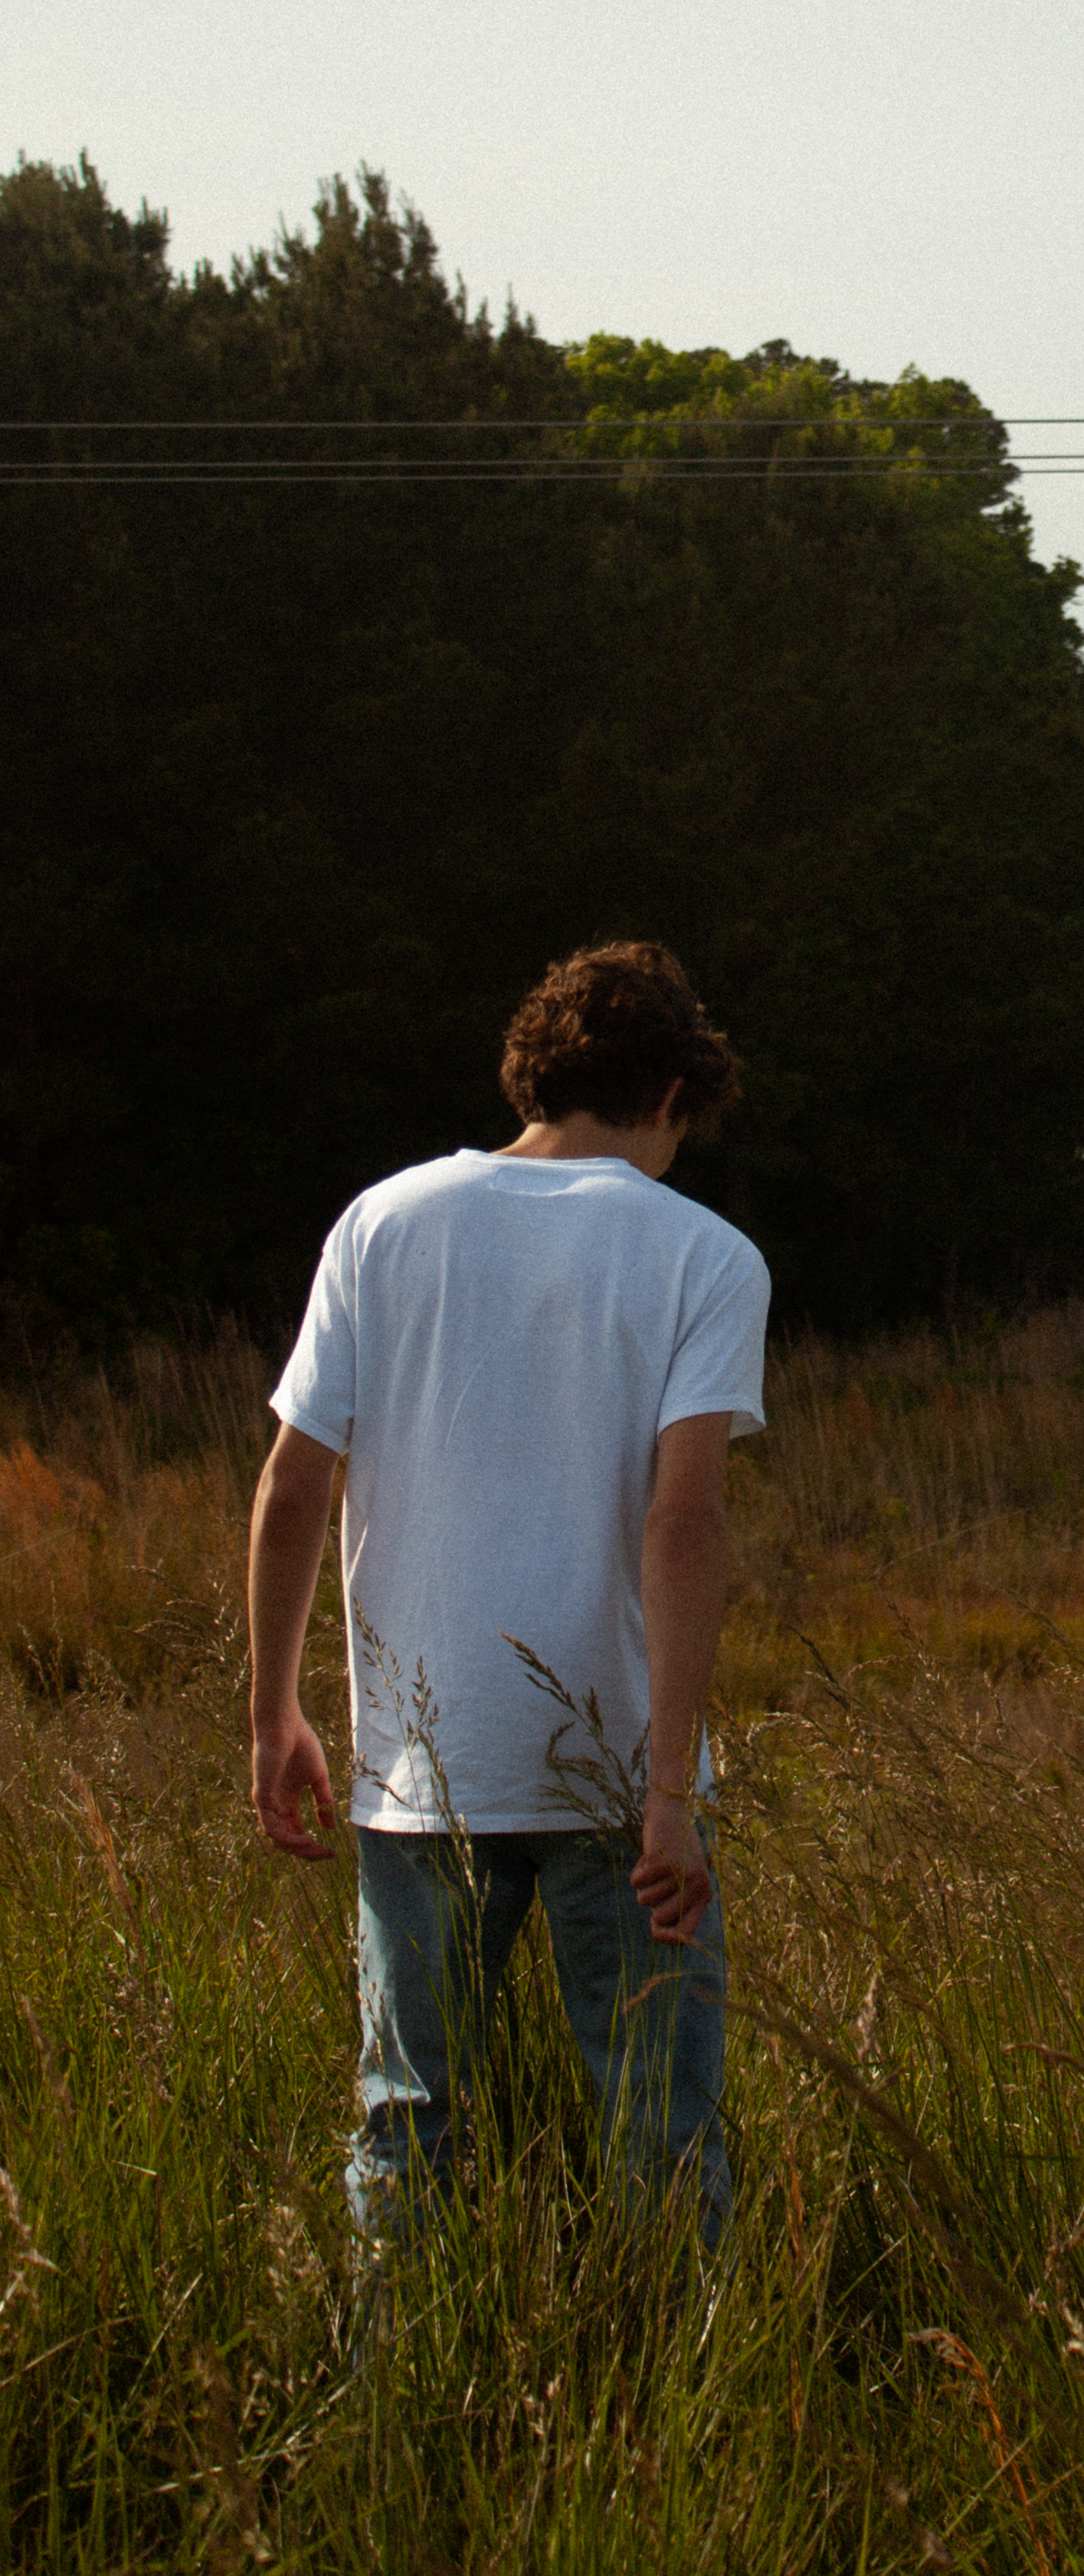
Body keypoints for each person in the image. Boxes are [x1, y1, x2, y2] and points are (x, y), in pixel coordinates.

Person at [247, 940, 769, 2264]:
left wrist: (273, 1714)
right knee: (660, 2122)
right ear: (665, 1095)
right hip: (613, 1772)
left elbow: (296, 1483)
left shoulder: (382, 1221)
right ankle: (680, 2416)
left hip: (419, 1768)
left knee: (406, 2126)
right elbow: (685, 1519)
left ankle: (389, 2430)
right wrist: (669, 1792)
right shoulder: (707, 1257)